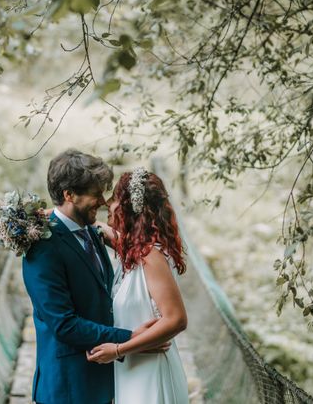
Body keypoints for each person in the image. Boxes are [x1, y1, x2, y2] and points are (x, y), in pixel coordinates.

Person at [21, 150, 164, 404]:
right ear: (69, 195)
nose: (104, 201)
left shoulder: (93, 232)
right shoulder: (42, 247)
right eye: (96, 193)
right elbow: (64, 324)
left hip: (105, 379)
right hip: (68, 387)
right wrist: (132, 339)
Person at [87, 167, 190, 404]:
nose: (107, 206)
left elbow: (176, 319)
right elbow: (98, 229)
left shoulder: (150, 257)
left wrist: (119, 350)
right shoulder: (134, 250)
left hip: (151, 373)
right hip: (133, 370)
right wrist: (51, 215)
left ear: (127, 209)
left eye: (113, 200)